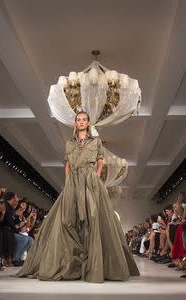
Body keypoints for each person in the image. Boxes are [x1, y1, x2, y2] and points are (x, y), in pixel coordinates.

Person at [16, 111, 139, 283]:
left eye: (84, 120)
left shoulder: (96, 142)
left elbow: (100, 160)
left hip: (90, 181)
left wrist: (96, 175)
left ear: (88, 123)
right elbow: (67, 164)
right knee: (67, 218)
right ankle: (72, 263)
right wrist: (67, 181)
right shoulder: (69, 143)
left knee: (93, 217)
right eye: (78, 120)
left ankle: (94, 265)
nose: (81, 122)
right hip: (73, 181)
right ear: (75, 124)